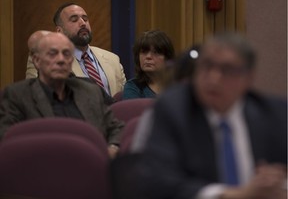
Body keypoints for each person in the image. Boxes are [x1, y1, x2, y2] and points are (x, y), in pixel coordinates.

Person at [114, 32, 287, 198]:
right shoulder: (172, 112)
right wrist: (232, 195)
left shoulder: (274, 114)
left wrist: (278, 185)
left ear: (248, 77)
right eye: (207, 66)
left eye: (226, 69)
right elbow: (158, 182)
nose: (213, 78)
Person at [0, 32, 124, 158]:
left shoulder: (90, 91)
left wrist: (112, 148)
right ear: (37, 61)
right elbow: (7, 139)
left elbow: (117, 128)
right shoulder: (17, 95)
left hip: (92, 166)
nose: (61, 60)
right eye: (52, 54)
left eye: (66, 54)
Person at [25, 2, 126, 97]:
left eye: (85, 19)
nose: (83, 23)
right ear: (59, 31)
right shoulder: (46, 59)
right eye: (74, 20)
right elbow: (36, 97)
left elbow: (123, 100)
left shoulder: (113, 59)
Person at [122, 29, 176, 99]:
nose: (148, 56)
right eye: (144, 52)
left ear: (167, 58)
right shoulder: (133, 86)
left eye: (156, 52)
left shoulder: (178, 86)